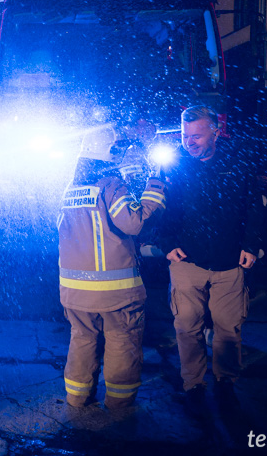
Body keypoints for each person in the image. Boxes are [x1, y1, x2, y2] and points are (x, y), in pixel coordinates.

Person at [159, 105, 265, 415]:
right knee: (187, 326)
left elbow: (255, 207)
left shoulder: (239, 163)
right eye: (184, 135)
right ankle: (194, 384)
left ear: (215, 132)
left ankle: (225, 383)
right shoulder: (176, 167)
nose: (188, 141)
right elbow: (164, 209)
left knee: (227, 329)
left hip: (229, 262)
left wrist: (251, 245)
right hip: (187, 263)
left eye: (196, 135)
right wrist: (166, 243)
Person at [58, 125, 167, 411]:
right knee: (122, 342)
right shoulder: (110, 185)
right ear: (109, 153)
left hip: (74, 292)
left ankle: (77, 397)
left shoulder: (69, 189)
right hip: (115, 293)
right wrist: (154, 187)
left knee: (82, 340)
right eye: (118, 150)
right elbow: (133, 222)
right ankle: (119, 405)